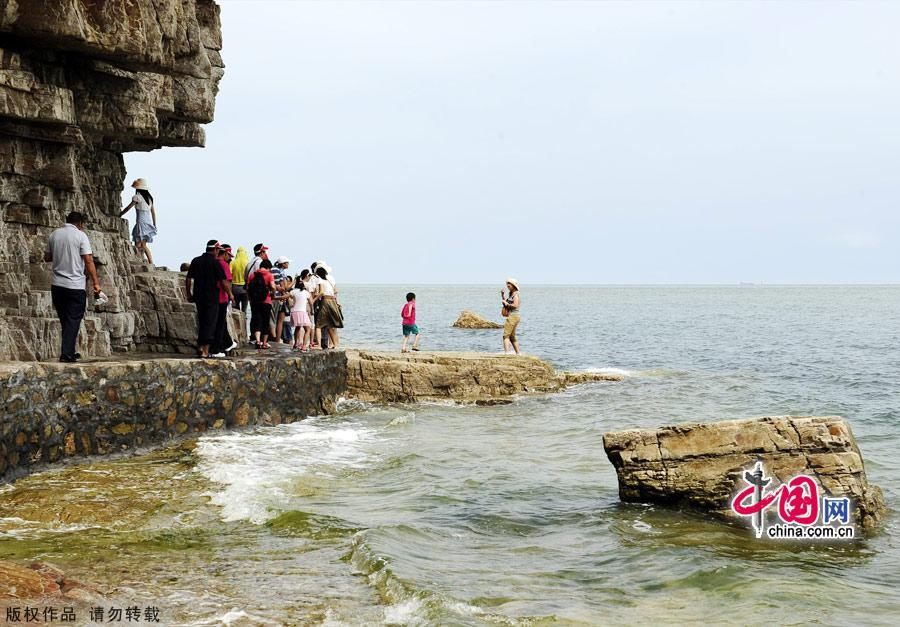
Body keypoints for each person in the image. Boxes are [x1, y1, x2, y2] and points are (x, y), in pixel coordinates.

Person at [45, 211, 102, 362]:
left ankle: (69, 350)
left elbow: (47, 257)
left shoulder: (54, 235)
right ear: (80, 223)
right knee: (73, 319)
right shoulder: (81, 236)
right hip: (75, 286)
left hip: (57, 285)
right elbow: (88, 260)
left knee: (65, 319)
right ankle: (66, 354)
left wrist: (60, 254)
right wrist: (96, 283)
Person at [185, 240, 226, 358]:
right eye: (218, 250)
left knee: (202, 320)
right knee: (210, 322)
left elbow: (188, 279)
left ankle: (200, 346)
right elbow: (223, 281)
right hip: (212, 297)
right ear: (216, 249)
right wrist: (230, 294)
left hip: (198, 296)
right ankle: (205, 350)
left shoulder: (196, 260)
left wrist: (188, 293)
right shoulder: (215, 263)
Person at [119, 178, 158, 265]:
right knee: (143, 245)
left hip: (141, 222)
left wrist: (121, 213)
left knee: (138, 244)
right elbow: (153, 212)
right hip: (148, 222)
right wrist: (154, 224)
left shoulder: (137, 197)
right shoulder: (149, 199)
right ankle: (148, 262)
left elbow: (128, 207)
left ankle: (142, 261)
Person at [211, 244, 237, 357]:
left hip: (212, 297)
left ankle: (227, 343)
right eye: (229, 255)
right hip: (221, 297)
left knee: (216, 323)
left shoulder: (212, 263)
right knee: (220, 323)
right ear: (225, 253)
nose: (229, 258)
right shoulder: (223, 264)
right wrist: (230, 295)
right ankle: (218, 348)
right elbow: (226, 282)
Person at [247, 259, 276, 350]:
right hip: (266, 301)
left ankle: (258, 341)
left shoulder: (252, 275)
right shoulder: (269, 275)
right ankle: (264, 343)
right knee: (265, 321)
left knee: (257, 320)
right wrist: (273, 294)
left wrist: (251, 299)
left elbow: (248, 288)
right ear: (268, 267)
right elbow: (273, 287)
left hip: (255, 301)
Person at [244, 243, 269, 341]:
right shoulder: (260, 263)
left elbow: (246, 277)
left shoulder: (250, 263)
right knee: (261, 315)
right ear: (262, 252)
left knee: (254, 314)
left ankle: (253, 336)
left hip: (251, 291)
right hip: (260, 292)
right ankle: (260, 338)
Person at [315, 265, 342, 349]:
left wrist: (315, 298)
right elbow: (335, 291)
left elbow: (322, 292)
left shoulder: (320, 280)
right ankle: (335, 344)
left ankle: (319, 345)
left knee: (318, 325)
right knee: (330, 325)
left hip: (325, 301)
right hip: (332, 301)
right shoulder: (329, 280)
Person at [288, 276, 313, 351]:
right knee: (308, 329)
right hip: (302, 312)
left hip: (294, 312)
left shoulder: (293, 292)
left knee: (297, 327)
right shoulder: (306, 293)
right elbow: (311, 303)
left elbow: (289, 299)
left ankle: (296, 344)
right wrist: (312, 310)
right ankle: (304, 347)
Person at [271, 256, 292, 344]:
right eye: (287, 262)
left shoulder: (274, 269)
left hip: (277, 296)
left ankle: (275, 340)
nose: (288, 264)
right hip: (278, 297)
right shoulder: (279, 271)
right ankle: (276, 340)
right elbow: (285, 287)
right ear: (283, 264)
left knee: (276, 320)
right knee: (279, 321)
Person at [501, 278, 521, 355]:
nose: (507, 286)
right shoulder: (511, 294)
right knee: (512, 337)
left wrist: (507, 304)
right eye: (507, 285)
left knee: (505, 336)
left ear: (513, 285)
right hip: (515, 316)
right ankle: (518, 354)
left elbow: (515, 305)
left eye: (509, 285)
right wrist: (502, 295)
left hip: (513, 316)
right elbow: (505, 303)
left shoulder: (515, 294)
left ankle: (506, 353)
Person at [230, 246, 250, 314]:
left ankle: (236, 324)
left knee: (235, 309)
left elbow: (229, 274)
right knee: (244, 309)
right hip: (245, 288)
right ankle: (244, 322)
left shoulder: (233, 262)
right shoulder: (248, 263)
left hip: (235, 288)